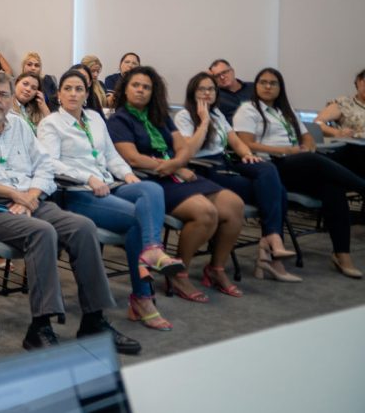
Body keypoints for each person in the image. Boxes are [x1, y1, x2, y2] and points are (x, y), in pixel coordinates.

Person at [0, 71, 140, 354]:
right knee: (42, 232)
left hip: (32, 200)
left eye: (4, 94)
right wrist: (13, 194)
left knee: (82, 227)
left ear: (12, 98)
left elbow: (45, 166)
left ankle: (94, 321)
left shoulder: (19, 125)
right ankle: (40, 327)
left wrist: (31, 196)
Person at [39, 69, 182, 332]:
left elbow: (111, 155)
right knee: (137, 219)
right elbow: (49, 163)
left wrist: (127, 175)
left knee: (151, 189)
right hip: (79, 192)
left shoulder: (95, 118)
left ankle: (152, 248)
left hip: (110, 183)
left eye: (79, 89)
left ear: (86, 94)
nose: (73, 94)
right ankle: (143, 297)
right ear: (58, 94)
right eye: (67, 89)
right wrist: (88, 177)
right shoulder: (51, 124)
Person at [108, 66, 244, 301]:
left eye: (146, 87)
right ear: (125, 89)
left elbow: (183, 148)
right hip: (149, 180)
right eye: (135, 85)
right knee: (205, 213)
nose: (140, 90)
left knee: (234, 205)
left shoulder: (160, 117)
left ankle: (216, 268)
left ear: (154, 92)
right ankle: (179, 273)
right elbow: (133, 158)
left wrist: (177, 164)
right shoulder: (119, 120)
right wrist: (172, 165)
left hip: (175, 174)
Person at [234, 68, 365, 278]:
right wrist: (286, 151)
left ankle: (342, 254)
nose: (267, 86)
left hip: (295, 164)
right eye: (263, 82)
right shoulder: (247, 110)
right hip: (270, 167)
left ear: (280, 88)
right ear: (256, 86)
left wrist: (307, 147)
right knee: (314, 160)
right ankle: (362, 186)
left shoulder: (286, 111)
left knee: (333, 187)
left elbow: (308, 138)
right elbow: (246, 144)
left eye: (273, 83)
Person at [175, 72, 298, 282]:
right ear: (192, 93)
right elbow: (187, 151)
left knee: (268, 171)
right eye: (202, 89)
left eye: (211, 89)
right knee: (276, 192)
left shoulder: (217, 114)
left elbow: (235, 141)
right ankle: (270, 250)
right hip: (204, 168)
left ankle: (271, 240)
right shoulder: (184, 116)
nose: (207, 93)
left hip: (226, 162)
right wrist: (203, 122)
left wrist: (247, 154)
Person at [313, 68, 365, 181]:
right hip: (355, 150)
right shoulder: (344, 103)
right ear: (358, 82)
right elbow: (318, 122)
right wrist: (336, 132)